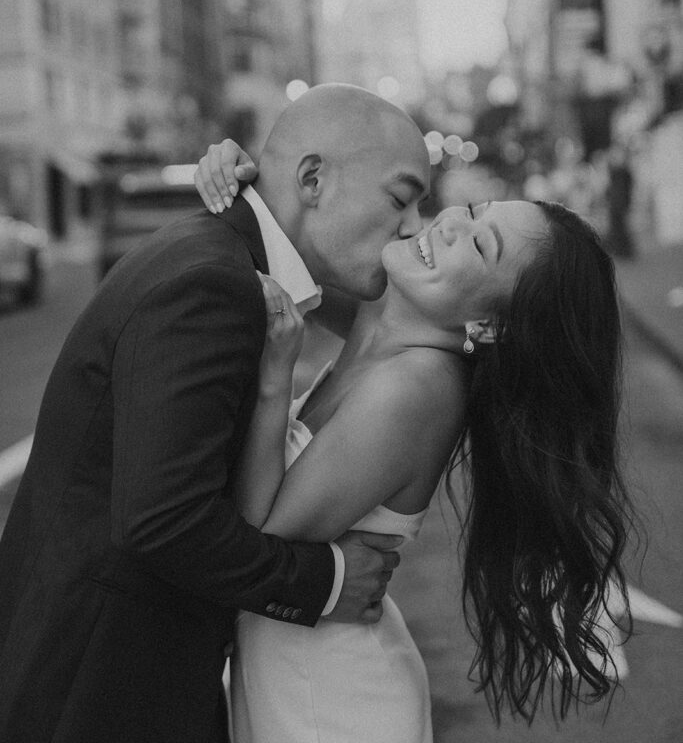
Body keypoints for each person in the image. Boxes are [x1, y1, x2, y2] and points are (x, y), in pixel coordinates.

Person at [0, 84, 431, 743]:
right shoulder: (214, 282)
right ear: (312, 178)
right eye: (399, 198)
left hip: (130, 676)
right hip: (97, 688)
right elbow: (163, 519)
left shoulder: (236, 268)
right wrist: (324, 582)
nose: (411, 225)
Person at [194, 139, 634, 741]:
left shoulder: (420, 387)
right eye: (475, 212)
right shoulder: (382, 322)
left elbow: (257, 540)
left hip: (334, 704)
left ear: (488, 325)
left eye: (480, 244)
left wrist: (276, 381)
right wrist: (234, 182)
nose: (450, 221)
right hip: (300, 681)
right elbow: (290, 248)